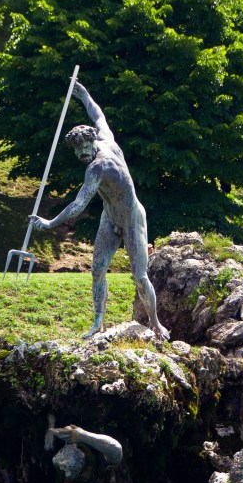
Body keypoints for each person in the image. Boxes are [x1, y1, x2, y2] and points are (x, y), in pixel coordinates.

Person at [30, 81, 169, 340]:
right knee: (97, 270)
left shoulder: (97, 167)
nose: (82, 153)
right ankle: (98, 322)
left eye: (85, 148)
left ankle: (155, 323)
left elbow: (79, 205)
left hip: (131, 217)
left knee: (140, 276)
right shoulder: (104, 135)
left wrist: (49, 224)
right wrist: (83, 95)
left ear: (92, 142)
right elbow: (98, 115)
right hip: (110, 216)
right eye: (77, 150)